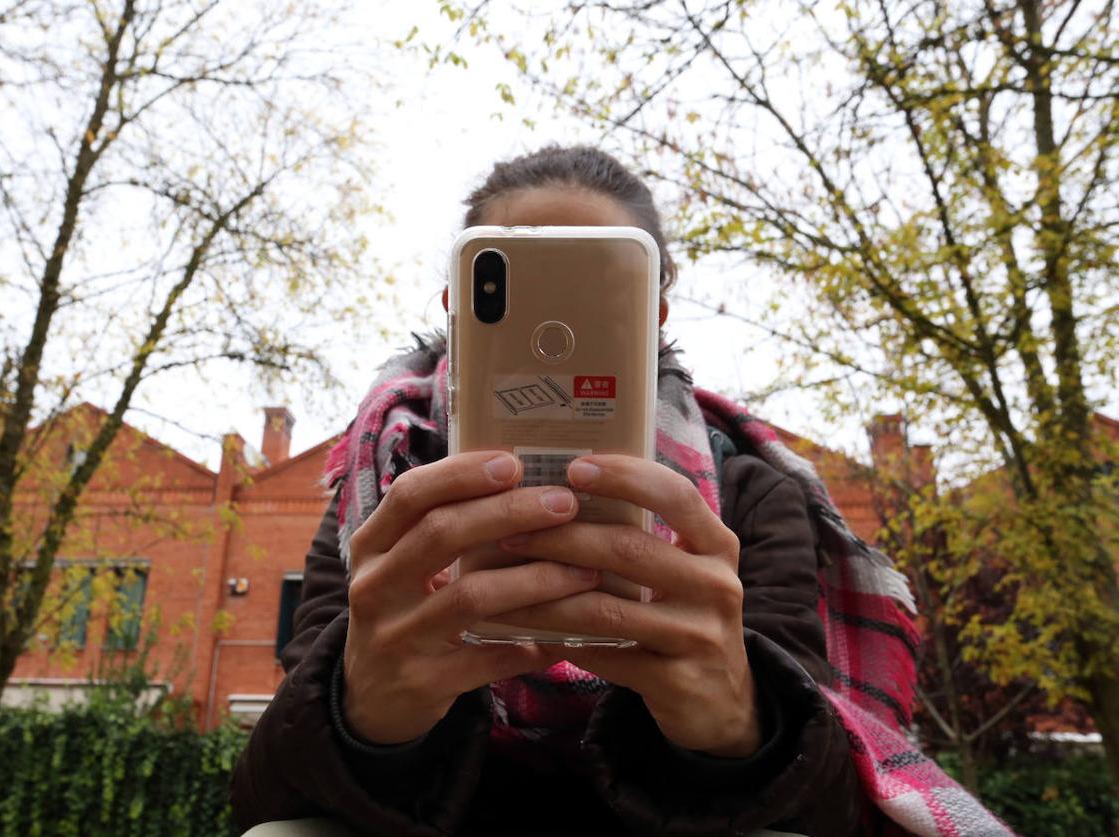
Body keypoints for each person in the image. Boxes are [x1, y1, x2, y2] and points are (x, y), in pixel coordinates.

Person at [231, 146, 1008, 837]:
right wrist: (363, 714)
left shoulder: (746, 493)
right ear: (456, 306)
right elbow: (262, 793)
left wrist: (739, 725)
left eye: (592, 287)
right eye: (526, 277)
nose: (556, 332)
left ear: (655, 313)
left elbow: (831, 804)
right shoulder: (382, 492)